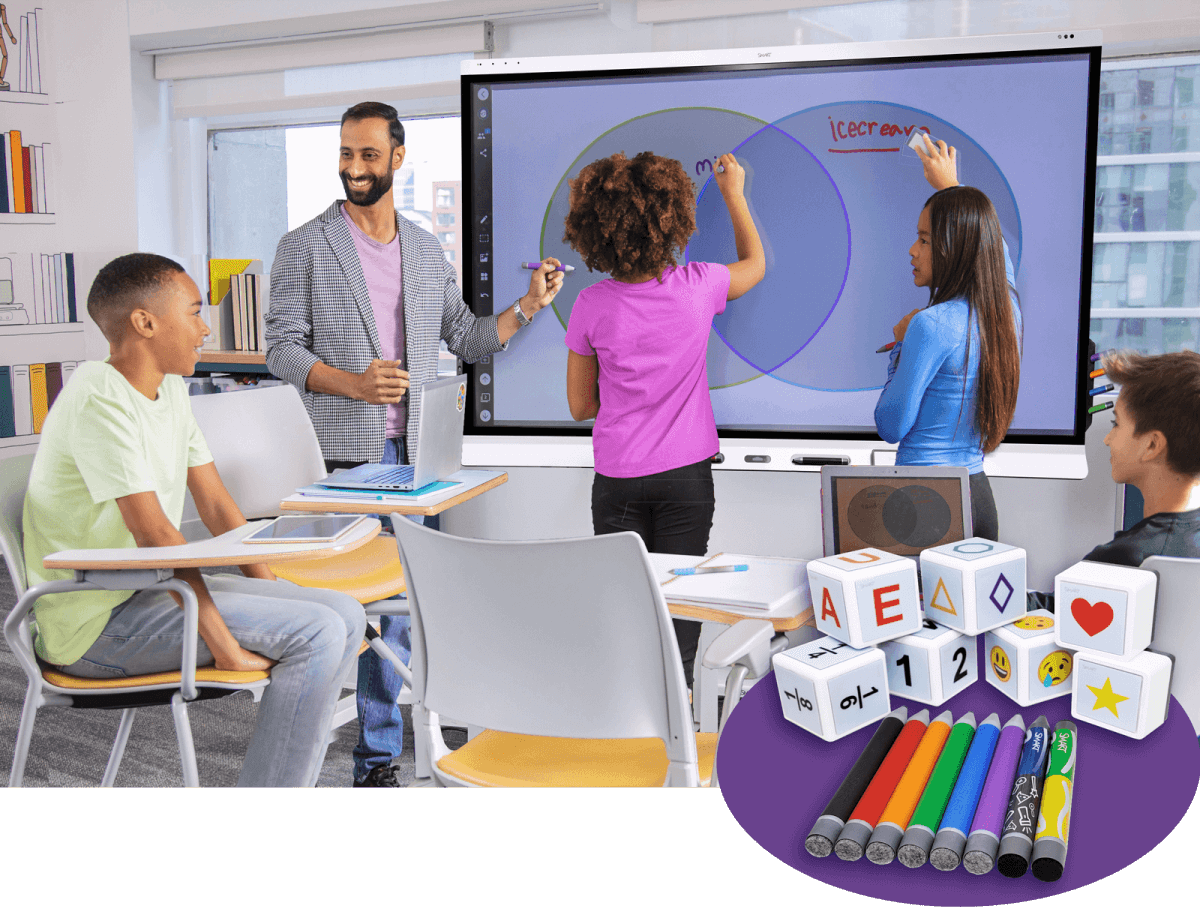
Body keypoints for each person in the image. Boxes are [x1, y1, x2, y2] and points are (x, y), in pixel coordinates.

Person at [266, 100, 563, 787]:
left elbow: (464, 338)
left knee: (403, 610)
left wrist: (528, 306)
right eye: (346, 154)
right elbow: (279, 348)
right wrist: (352, 384)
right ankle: (355, 754)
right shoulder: (305, 245)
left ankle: (378, 758)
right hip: (345, 456)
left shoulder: (426, 247)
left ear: (398, 157)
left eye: (368, 155)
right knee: (358, 608)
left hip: (419, 459)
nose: (354, 168)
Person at [22, 253, 367, 787]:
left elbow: (217, 506)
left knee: (343, 612)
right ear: (145, 322)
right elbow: (157, 536)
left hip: (145, 596)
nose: (205, 328)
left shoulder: (171, 390)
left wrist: (273, 589)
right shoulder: (98, 395)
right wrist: (223, 644)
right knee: (318, 633)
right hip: (93, 627)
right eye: (194, 312)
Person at [563, 151, 765, 688]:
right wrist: (733, 195)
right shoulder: (699, 285)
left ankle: (630, 740)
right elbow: (755, 265)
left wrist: (628, 393)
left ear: (593, 230)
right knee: (680, 620)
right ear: (671, 219)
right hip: (687, 482)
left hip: (617, 481)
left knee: (629, 616)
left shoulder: (589, 305)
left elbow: (581, 407)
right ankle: (680, 748)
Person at [874, 136, 1022, 543]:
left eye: (924, 239)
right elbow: (993, 248)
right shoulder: (1006, 311)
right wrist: (950, 189)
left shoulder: (930, 325)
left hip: (926, 502)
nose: (912, 250)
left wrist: (902, 345)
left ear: (952, 247)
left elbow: (890, 424)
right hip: (978, 497)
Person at [1027, 350, 1200, 611]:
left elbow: (1048, 610)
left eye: (1116, 424)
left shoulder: (1125, 558)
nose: (1107, 439)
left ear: (1152, 445)